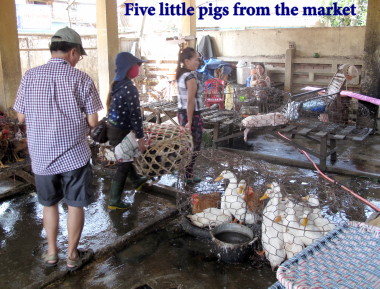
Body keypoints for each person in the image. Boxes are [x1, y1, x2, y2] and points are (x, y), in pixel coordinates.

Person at [13, 27, 103, 271]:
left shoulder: (30, 76)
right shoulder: (81, 79)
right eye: (79, 56)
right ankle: (73, 255)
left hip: (41, 157)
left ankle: (52, 253)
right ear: (72, 52)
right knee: (75, 204)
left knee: (48, 204)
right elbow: (94, 122)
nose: (78, 60)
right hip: (74, 155)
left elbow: (20, 117)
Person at [106, 52, 147, 210]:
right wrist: (141, 138)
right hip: (122, 133)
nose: (138, 68)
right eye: (136, 65)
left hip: (114, 130)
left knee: (126, 159)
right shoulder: (129, 88)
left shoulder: (117, 84)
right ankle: (114, 201)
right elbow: (136, 115)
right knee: (123, 165)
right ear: (128, 68)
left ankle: (137, 180)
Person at [176, 47, 203, 184]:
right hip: (192, 115)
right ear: (186, 61)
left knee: (186, 144)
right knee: (195, 146)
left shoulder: (181, 74)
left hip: (182, 113)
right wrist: (190, 121)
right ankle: (188, 174)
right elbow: (190, 101)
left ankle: (184, 172)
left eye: (198, 59)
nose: (198, 62)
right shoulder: (190, 77)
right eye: (195, 59)